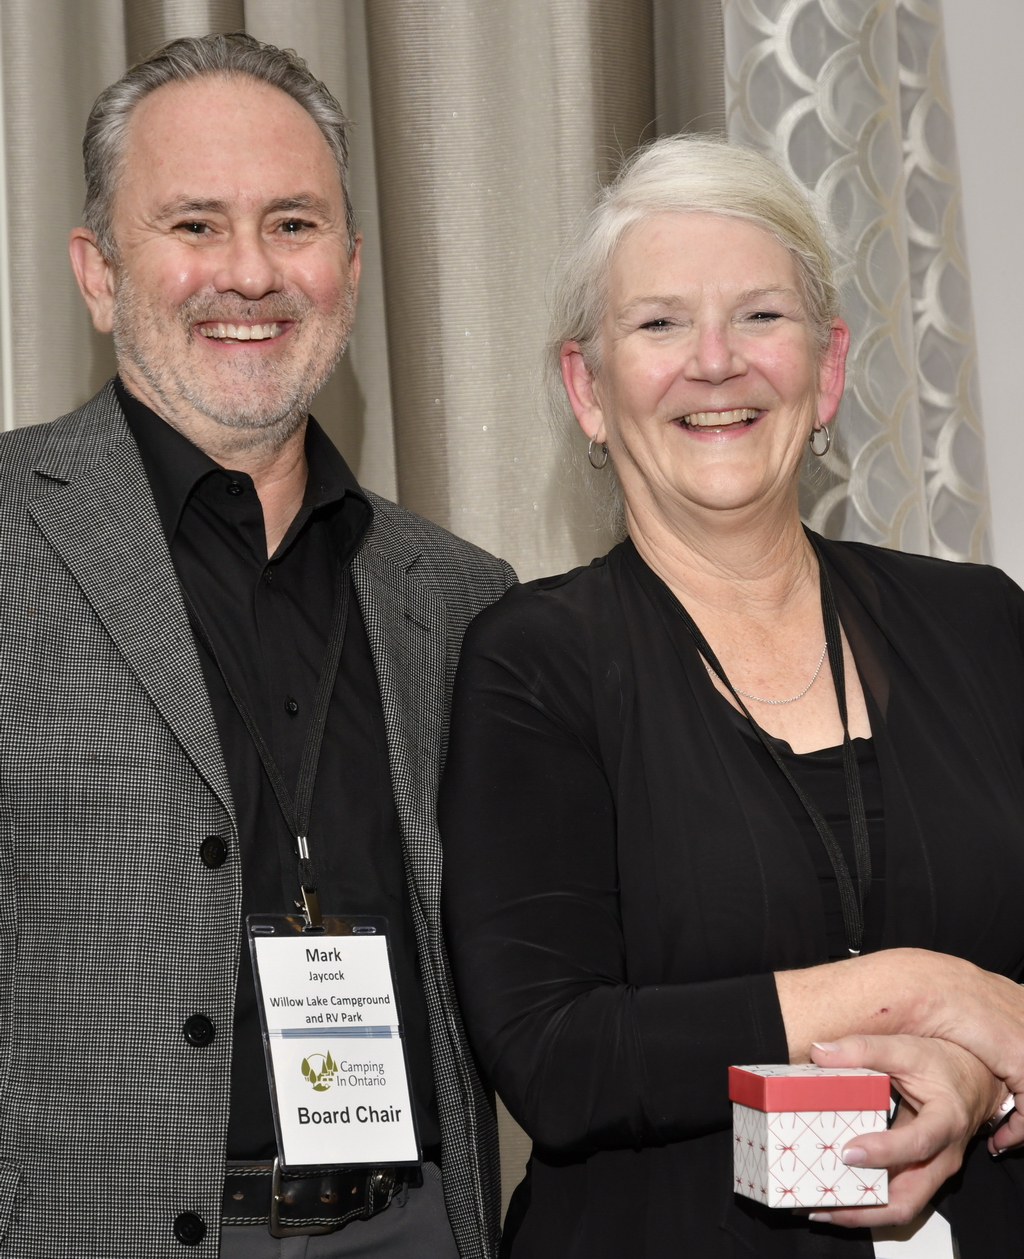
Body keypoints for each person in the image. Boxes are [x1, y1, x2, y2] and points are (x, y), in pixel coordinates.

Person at [439, 135, 1024, 1259]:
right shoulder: (535, 661)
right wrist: (918, 991)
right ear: (587, 388)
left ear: (828, 369)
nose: (715, 362)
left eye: (759, 316)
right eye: (658, 324)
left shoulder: (985, 626)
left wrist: (969, 1072)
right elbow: (557, 1057)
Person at [0, 32, 511, 1259]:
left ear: (347, 261)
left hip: (410, 1228)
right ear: (99, 272)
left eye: (291, 224)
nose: (248, 271)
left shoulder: (461, 594)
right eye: (192, 226)